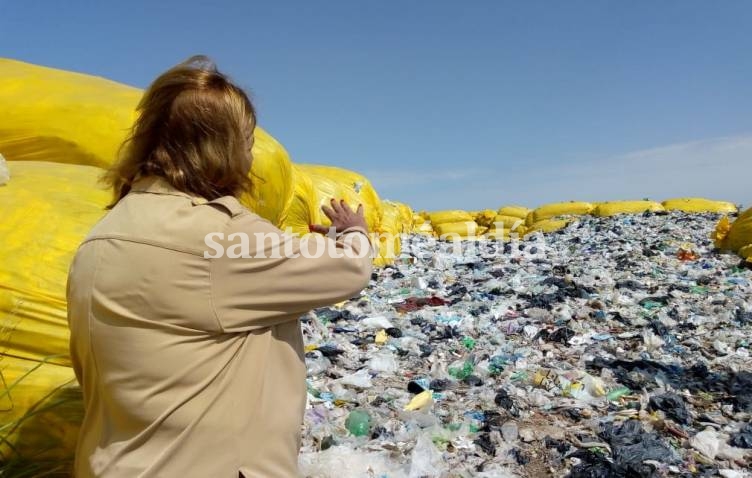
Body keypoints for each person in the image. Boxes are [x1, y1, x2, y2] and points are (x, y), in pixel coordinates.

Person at [66, 56, 373, 477]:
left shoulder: (102, 236)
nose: (250, 152)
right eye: (246, 139)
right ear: (222, 146)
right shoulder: (218, 238)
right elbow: (347, 269)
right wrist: (352, 232)